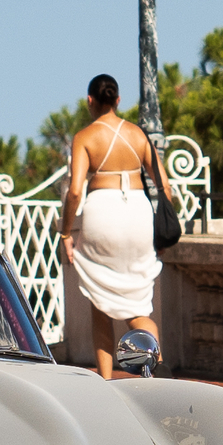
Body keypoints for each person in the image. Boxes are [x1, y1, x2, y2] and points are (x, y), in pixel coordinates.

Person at [60, 72, 172, 378]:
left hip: (103, 212)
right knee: (138, 308)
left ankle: (106, 380)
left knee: (100, 301)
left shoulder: (85, 137)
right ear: (118, 100)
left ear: (90, 101)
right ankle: (154, 365)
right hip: (138, 213)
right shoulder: (138, 134)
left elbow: (74, 191)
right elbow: (165, 186)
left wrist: (65, 232)